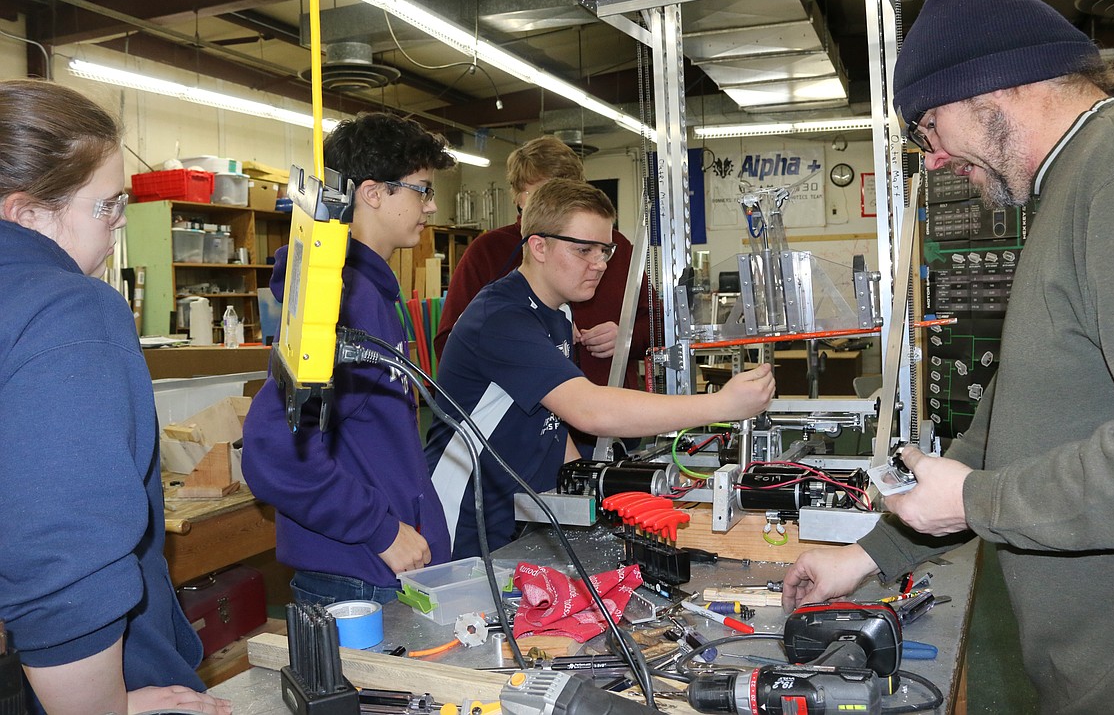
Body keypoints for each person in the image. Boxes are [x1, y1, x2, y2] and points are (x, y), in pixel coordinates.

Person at [782, 0, 1114, 713]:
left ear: (988, 88)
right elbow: (1009, 420)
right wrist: (866, 557)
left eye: (927, 127)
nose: (931, 157)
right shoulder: (1069, 185)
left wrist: (981, 502)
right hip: (1092, 666)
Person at [0, 79, 228, 713]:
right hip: (101, 674)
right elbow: (62, 550)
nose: (122, 220)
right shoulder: (67, 307)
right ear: (25, 213)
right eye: (108, 204)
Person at [426, 178, 775, 558]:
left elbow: (552, 419)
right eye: (584, 250)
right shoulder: (501, 317)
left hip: (519, 509)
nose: (600, 265)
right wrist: (722, 406)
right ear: (538, 246)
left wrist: (588, 488)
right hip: (464, 516)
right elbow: (588, 409)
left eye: (604, 250)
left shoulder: (558, 312)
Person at [243, 112, 455, 605]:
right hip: (355, 576)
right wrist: (378, 529)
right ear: (374, 192)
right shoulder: (344, 301)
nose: (433, 205)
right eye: (422, 190)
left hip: (371, 569)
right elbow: (274, 450)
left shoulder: (369, 293)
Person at [434, 136, 654, 391]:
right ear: (517, 197)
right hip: (526, 418)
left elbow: (656, 322)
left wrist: (627, 337)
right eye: (542, 194)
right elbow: (454, 342)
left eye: (566, 192)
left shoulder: (617, 248)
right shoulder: (487, 252)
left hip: (611, 406)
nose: (598, 263)